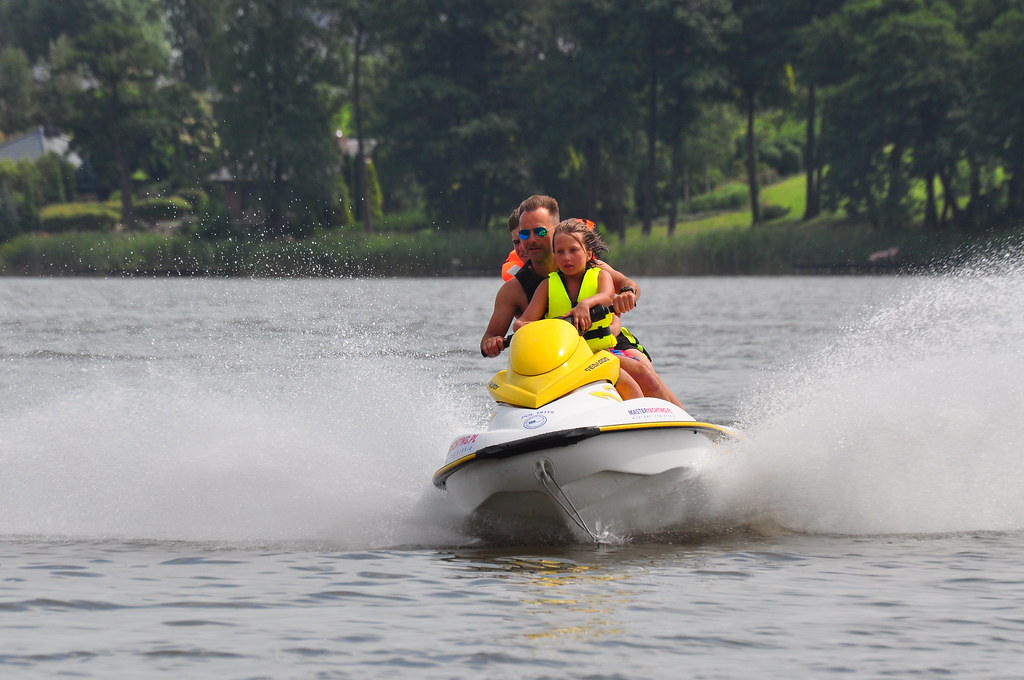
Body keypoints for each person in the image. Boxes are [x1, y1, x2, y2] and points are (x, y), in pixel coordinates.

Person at [481, 195, 682, 406]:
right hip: (556, 356)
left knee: (641, 368)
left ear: (556, 230)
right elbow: (493, 336)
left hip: (606, 340)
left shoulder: (592, 267)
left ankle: (687, 427)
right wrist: (492, 343)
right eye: (524, 234)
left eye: (539, 232)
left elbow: (626, 284)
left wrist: (627, 294)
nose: (530, 240)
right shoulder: (517, 289)